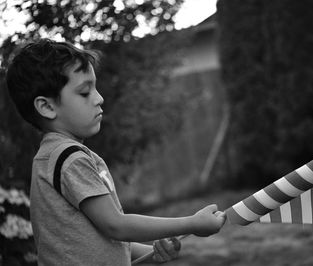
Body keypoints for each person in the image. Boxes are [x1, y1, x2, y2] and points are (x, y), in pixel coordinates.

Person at [6, 39, 226, 266]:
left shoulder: (56, 157)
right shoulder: (68, 159)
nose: (99, 98)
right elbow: (117, 226)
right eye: (84, 92)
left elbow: (103, 238)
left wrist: (150, 252)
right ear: (47, 107)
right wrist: (192, 223)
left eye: (95, 88)